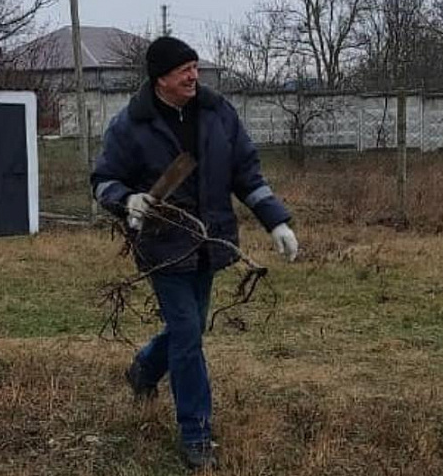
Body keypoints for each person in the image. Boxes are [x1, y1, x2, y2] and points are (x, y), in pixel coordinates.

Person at [90, 36, 298, 470]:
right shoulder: (132, 124)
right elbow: (104, 180)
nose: (193, 76)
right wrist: (127, 200)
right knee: (186, 333)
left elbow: (246, 171)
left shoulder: (218, 112)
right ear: (160, 78)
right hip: (163, 247)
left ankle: (144, 371)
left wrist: (275, 220)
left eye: (195, 68)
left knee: (191, 328)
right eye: (184, 70)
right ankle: (196, 433)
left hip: (210, 244)